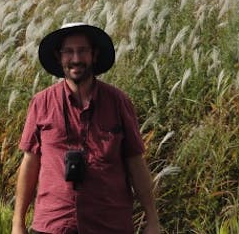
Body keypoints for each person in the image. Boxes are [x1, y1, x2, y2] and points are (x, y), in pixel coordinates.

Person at [12, 22, 161, 234]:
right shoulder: (41, 103)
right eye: (68, 52)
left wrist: (152, 220)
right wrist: (18, 223)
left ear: (94, 55)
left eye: (82, 51)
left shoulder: (118, 102)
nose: (76, 59)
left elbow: (135, 161)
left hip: (109, 224)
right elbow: (30, 162)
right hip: (54, 224)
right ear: (59, 57)